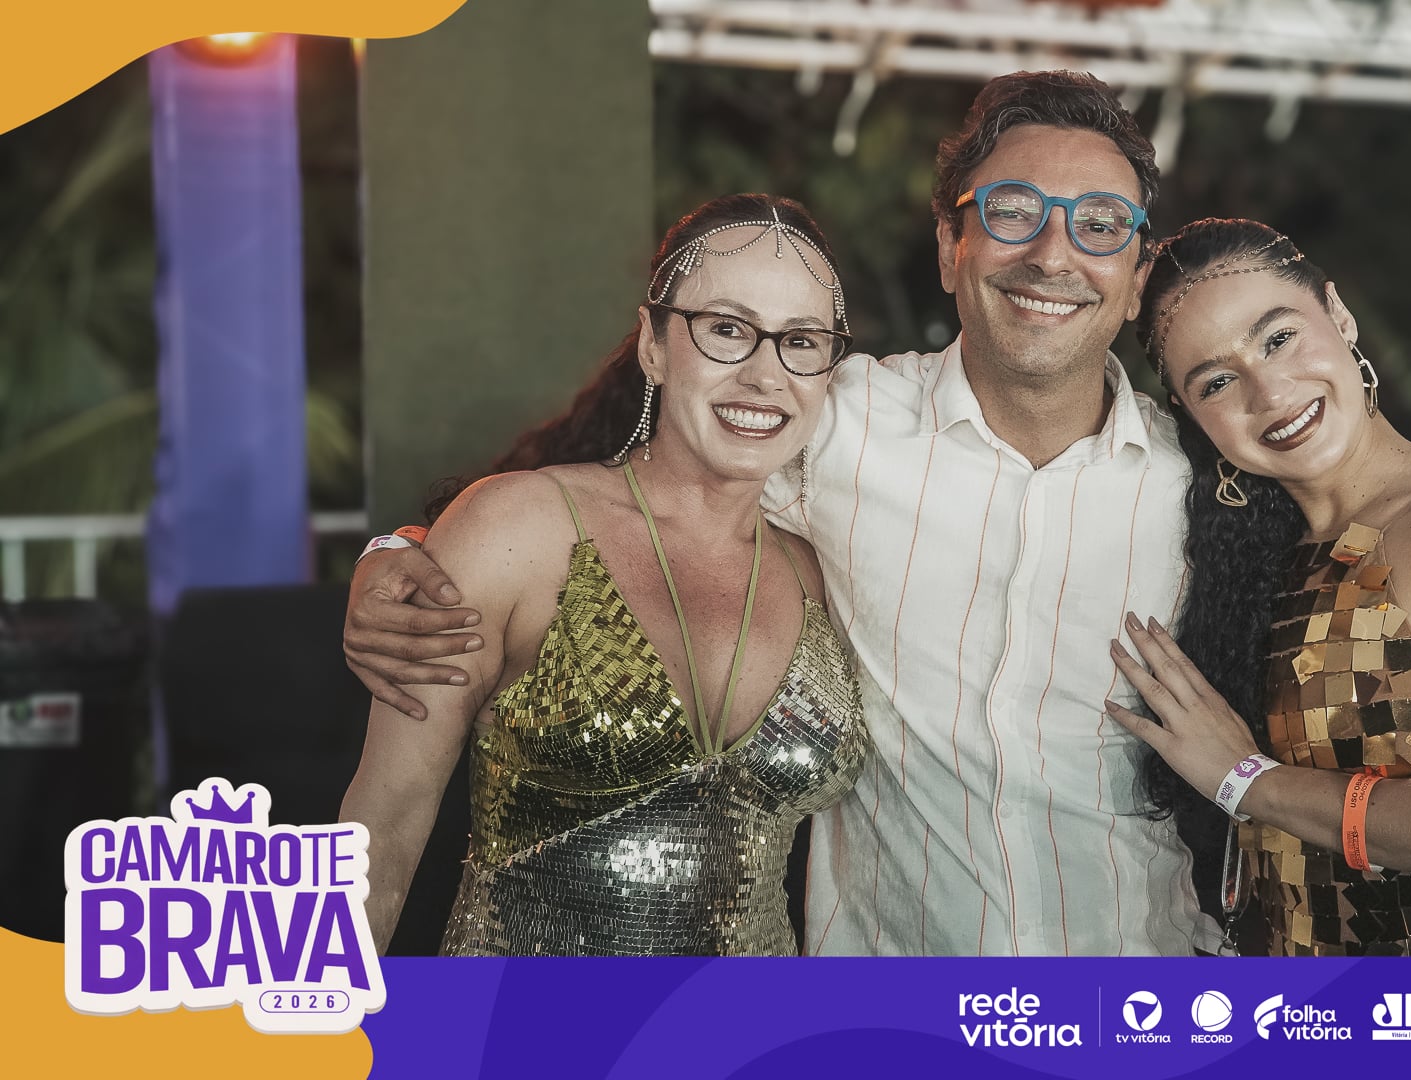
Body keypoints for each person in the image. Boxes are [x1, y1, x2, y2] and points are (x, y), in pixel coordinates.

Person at [346, 72, 1215, 956]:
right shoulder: (836, 417)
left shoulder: (1202, 483)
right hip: (878, 1008)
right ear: (950, 248)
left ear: (1137, 276)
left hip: (1135, 990)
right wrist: (401, 552)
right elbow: (615, 490)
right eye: (1014, 212)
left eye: (1100, 224)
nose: (1054, 255)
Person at [338, 194, 869, 956]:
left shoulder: (822, 566)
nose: (766, 374)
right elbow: (379, 840)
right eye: (727, 329)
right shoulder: (520, 528)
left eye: (802, 341)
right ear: (653, 345)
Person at [1103, 219, 1411, 956]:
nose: (1270, 392)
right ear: (1190, 416)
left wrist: (1248, 781)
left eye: (1279, 338)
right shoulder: (1237, 562)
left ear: (1338, 314)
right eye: (1216, 382)